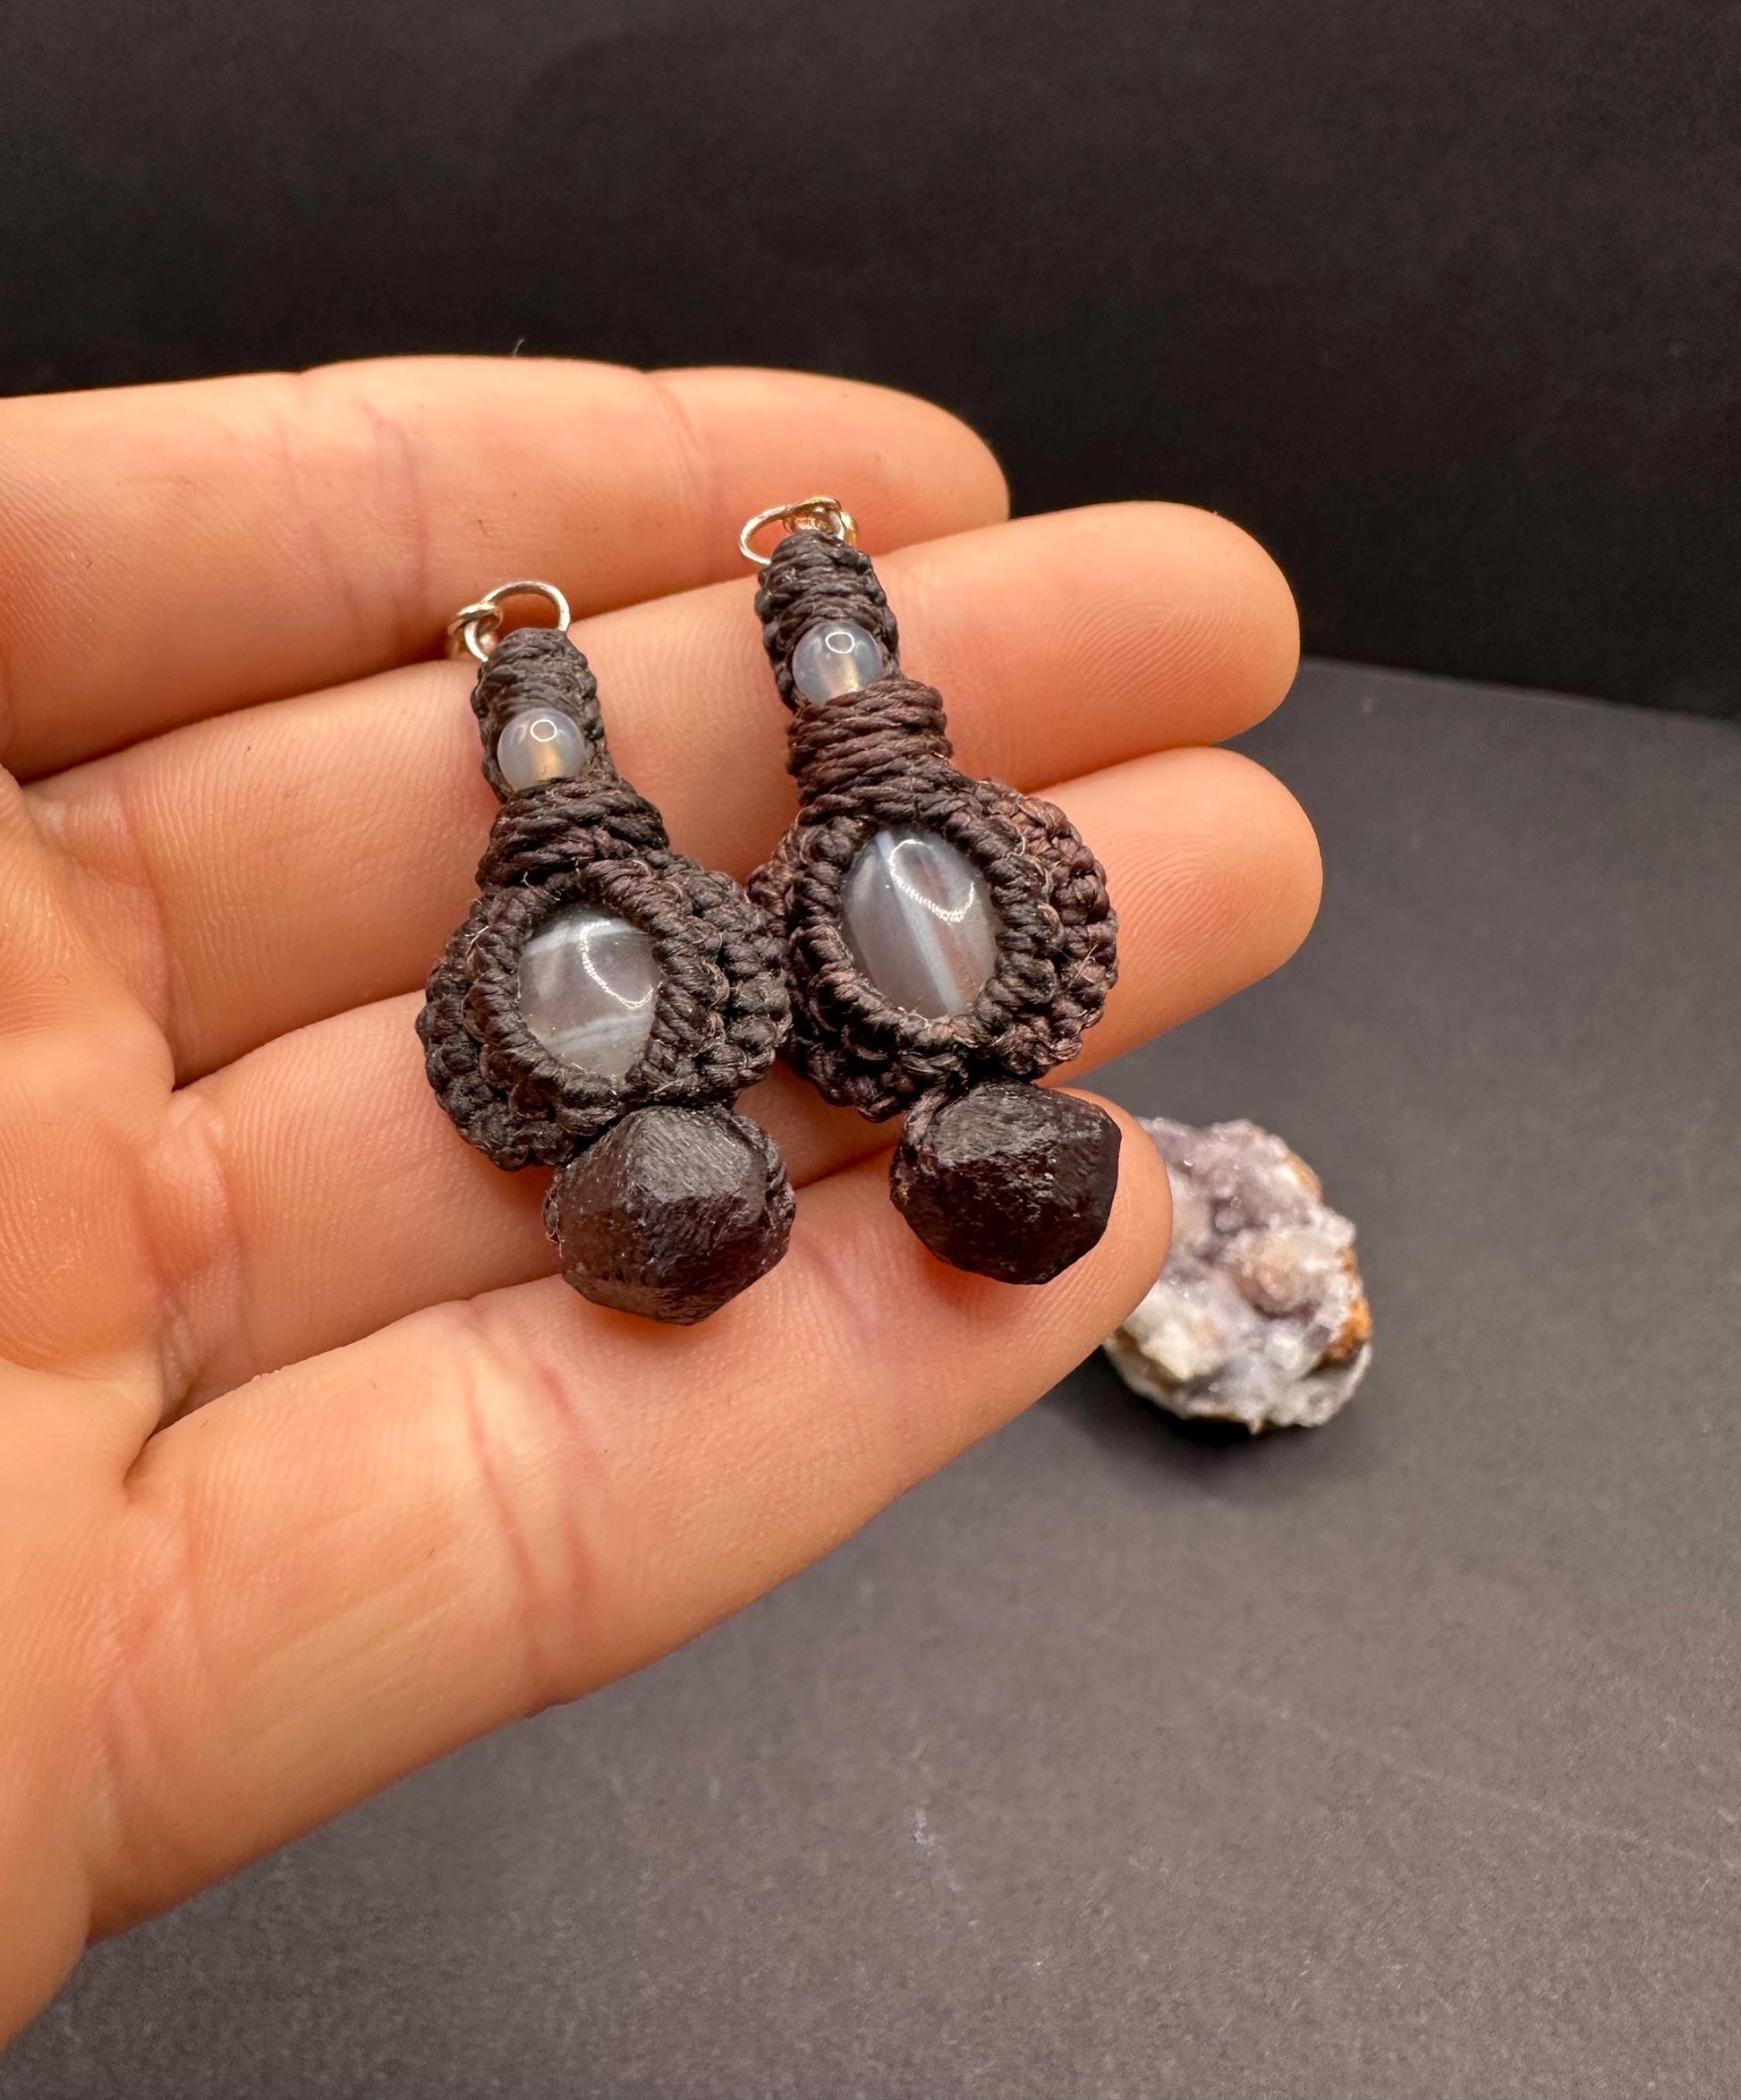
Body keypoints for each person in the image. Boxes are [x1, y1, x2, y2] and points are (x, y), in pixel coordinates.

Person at [0, 357, 1318, 2040]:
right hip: (659, 876)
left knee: (765, 792)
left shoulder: (767, 979)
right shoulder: (715, 986)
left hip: (711, 868)